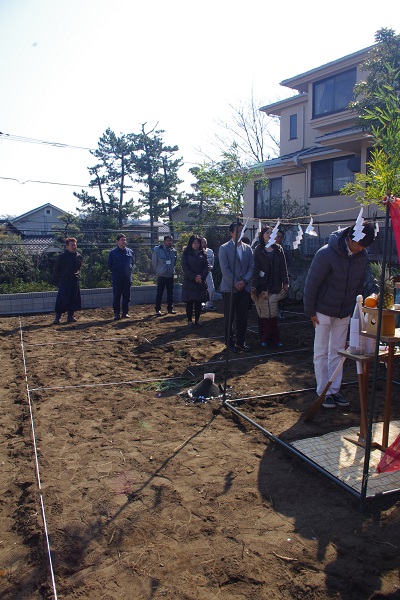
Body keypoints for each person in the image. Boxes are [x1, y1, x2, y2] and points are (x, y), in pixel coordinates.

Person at [303, 222, 375, 409]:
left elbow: (359, 284)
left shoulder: (362, 255)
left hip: (344, 312)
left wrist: (354, 306)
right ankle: (322, 391)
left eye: (364, 246)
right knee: (321, 352)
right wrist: (310, 310)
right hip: (323, 311)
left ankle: (334, 389)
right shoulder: (325, 253)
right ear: (350, 238)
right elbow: (312, 283)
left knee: (338, 352)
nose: (361, 249)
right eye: (360, 244)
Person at [219, 221, 254, 352]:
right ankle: (229, 342)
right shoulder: (224, 248)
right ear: (231, 233)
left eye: (241, 231)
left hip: (244, 288)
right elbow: (225, 268)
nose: (240, 233)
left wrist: (244, 281)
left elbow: (252, 267)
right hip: (229, 289)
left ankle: (241, 341)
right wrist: (235, 283)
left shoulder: (248, 248)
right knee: (229, 317)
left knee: (243, 316)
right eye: (237, 231)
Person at [251, 226, 289, 347]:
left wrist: (285, 282)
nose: (269, 234)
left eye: (271, 233)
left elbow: (283, 267)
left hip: (275, 284)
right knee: (262, 314)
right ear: (262, 235)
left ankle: (275, 339)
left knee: (273, 314)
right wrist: (254, 285)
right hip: (262, 285)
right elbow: (255, 268)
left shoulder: (278, 249)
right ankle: (263, 338)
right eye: (267, 232)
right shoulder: (258, 249)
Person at [181, 234, 209, 327]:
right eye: (194, 243)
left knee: (198, 302)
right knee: (189, 302)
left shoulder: (203, 253)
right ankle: (189, 320)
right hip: (190, 282)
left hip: (200, 281)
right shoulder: (186, 253)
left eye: (198, 243)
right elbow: (185, 267)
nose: (196, 245)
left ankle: (197, 320)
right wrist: (194, 277)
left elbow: (207, 266)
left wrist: (201, 276)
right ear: (191, 243)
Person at [53, 237, 82, 324]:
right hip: (64, 280)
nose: (74, 246)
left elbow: (78, 267)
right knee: (62, 299)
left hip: (74, 280)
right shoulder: (62, 257)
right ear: (67, 246)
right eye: (72, 245)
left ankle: (70, 316)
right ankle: (57, 317)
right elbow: (56, 269)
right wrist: (58, 279)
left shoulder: (78, 256)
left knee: (73, 299)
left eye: (75, 244)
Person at [108, 233, 135, 320]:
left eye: (125, 240)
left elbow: (132, 263)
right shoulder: (112, 253)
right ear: (117, 242)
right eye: (122, 240)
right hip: (117, 278)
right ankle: (116, 314)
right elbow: (110, 265)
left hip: (127, 278)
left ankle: (125, 313)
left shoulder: (130, 252)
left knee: (127, 296)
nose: (124, 242)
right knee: (117, 296)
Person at [152, 234, 177, 315]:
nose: (169, 242)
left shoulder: (173, 251)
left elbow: (174, 263)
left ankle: (170, 308)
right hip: (161, 275)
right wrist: (159, 271)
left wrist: (172, 271)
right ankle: (157, 309)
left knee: (170, 293)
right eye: (168, 240)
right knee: (160, 292)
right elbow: (154, 262)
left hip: (170, 275)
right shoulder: (157, 250)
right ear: (164, 241)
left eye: (171, 241)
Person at [275, 229, 292, 320]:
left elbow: (288, 262)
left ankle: (281, 311)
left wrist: (282, 270)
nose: (278, 238)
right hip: (271, 276)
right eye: (277, 236)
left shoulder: (284, 250)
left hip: (281, 276)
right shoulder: (268, 248)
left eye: (280, 237)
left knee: (282, 295)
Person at [201, 238, 216, 311]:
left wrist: (209, 268)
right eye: (202, 242)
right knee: (200, 289)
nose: (204, 244)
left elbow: (212, 263)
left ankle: (209, 305)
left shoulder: (210, 251)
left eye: (205, 242)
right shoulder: (197, 251)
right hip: (199, 273)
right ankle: (200, 305)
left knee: (211, 289)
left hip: (208, 272)